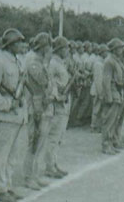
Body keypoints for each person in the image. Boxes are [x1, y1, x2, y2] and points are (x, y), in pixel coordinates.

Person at [0, 28, 28, 202]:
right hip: (6, 116)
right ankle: (0, 189)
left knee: (14, 154)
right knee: (3, 154)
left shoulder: (17, 61)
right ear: (9, 44)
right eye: (17, 42)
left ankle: (8, 185)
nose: (20, 45)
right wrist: (7, 105)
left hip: (18, 115)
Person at [23, 32, 53, 190]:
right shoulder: (34, 61)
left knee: (41, 142)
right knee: (34, 143)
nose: (50, 49)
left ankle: (35, 175)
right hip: (35, 106)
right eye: (48, 46)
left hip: (41, 104)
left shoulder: (39, 60)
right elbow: (42, 81)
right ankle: (29, 177)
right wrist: (46, 61)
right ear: (42, 47)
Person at [44, 36, 73, 179]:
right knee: (53, 136)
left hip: (64, 102)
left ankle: (54, 164)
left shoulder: (60, 62)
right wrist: (57, 96)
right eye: (66, 47)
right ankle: (49, 166)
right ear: (60, 49)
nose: (67, 50)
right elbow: (50, 82)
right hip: (57, 104)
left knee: (59, 136)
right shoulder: (53, 63)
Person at [100, 38, 124, 154]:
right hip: (112, 92)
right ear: (114, 49)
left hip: (118, 91)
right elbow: (106, 81)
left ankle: (113, 141)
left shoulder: (117, 60)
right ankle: (106, 145)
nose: (122, 49)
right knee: (109, 121)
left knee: (116, 119)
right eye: (120, 48)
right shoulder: (109, 61)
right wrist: (109, 96)